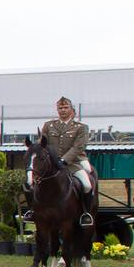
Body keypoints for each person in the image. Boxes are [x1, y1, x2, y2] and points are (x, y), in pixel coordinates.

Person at [39, 96, 95, 227]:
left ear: (71, 109)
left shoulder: (80, 127)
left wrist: (64, 160)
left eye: (65, 107)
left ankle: (85, 213)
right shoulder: (49, 125)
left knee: (87, 185)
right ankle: (33, 210)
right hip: (52, 164)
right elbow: (43, 143)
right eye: (60, 108)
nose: (63, 110)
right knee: (33, 181)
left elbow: (79, 147)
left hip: (73, 163)